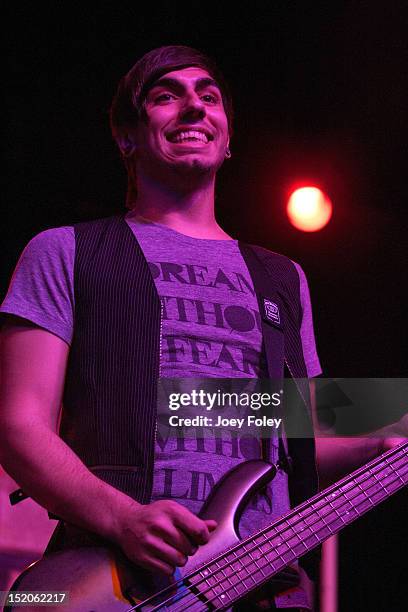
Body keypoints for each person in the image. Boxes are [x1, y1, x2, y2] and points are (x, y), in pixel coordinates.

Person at [0, 45, 403, 611]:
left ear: (228, 136)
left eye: (208, 97)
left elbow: (300, 427)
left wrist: (391, 433)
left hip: (267, 582)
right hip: (117, 586)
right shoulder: (67, 251)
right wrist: (125, 518)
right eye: (166, 96)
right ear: (127, 137)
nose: (193, 106)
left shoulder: (282, 277)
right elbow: (19, 426)